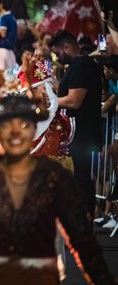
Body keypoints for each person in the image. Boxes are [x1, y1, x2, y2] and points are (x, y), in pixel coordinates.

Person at [0, 95, 115, 285]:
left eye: (24, 125)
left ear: (34, 129)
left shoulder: (54, 177)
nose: (15, 133)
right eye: (7, 125)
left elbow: (82, 240)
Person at [49, 30, 102, 216]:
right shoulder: (76, 67)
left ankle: (85, 221)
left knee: (81, 179)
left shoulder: (83, 67)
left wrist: (51, 101)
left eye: (58, 52)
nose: (57, 57)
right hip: (76, 134)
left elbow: (73, 101)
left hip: (82, 134)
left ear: (67, 47)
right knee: (77, 178)